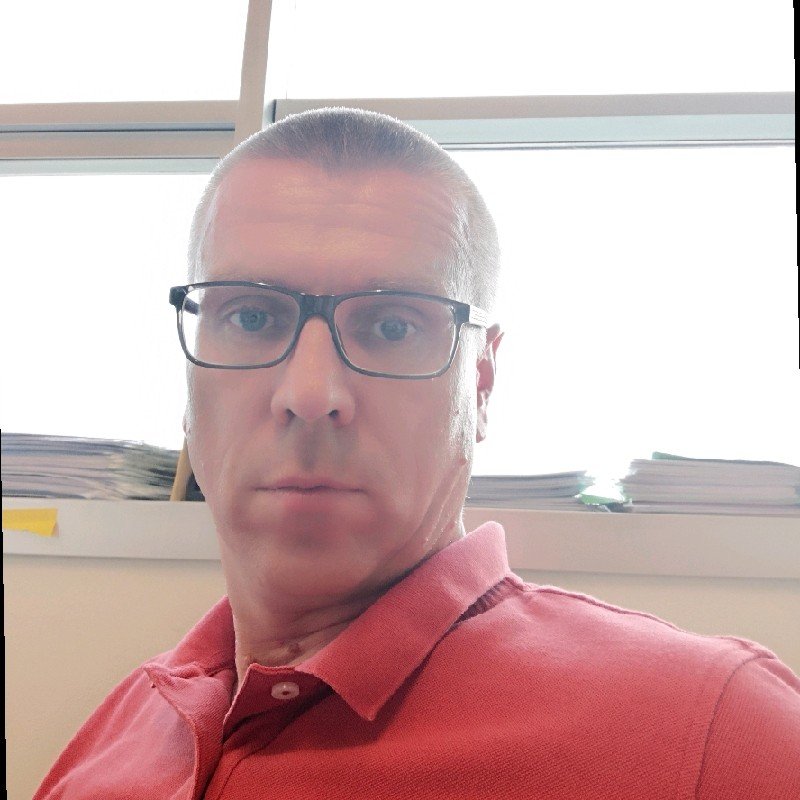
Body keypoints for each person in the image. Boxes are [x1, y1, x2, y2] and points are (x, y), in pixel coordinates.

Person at [35, 108, 799, 799]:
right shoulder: (122, 726)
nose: (309, 392)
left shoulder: (715, 731)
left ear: (482, 382)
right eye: (252, 316)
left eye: (392, 326)